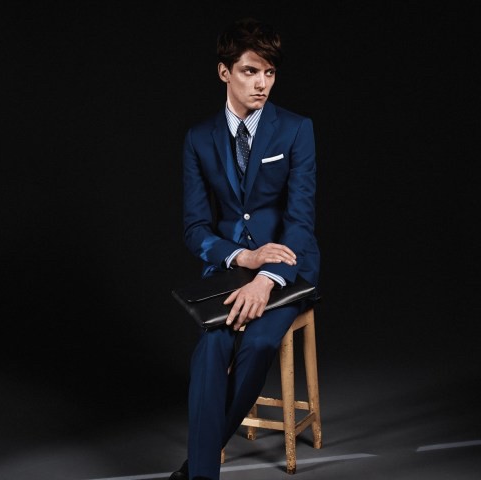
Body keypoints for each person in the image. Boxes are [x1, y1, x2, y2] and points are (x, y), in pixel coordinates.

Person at [169, 17, 320, 480]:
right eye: (250, 71)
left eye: (269, 73)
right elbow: (195, 228)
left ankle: (195, 469)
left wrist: (265, 277)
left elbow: (300, 219)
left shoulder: (296, 129)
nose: (261, 84)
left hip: (287, 268)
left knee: (257, 343)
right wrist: (243, 259)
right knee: (211, 346)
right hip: (230, 268)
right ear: (224, 72)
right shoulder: (199, 139)